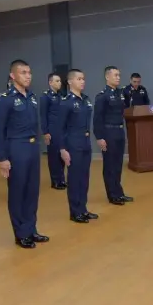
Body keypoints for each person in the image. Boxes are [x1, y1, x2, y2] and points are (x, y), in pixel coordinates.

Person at [0, 60, 48, 248]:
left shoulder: (31, 97)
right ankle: (21, 233)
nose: (28, 76)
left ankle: (31, 229)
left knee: (32, 191)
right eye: (23, 72)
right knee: (18, 192)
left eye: (29, 72)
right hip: (16, 148)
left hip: (32, 147)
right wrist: (2, 157)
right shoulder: (5, 99)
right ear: (13, 75)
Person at [57, 69, 99, 223]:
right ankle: (75, 212)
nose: (82, 81)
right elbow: (59, 128)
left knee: (84, 178)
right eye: (79, 79)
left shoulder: (86, 100)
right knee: (74, 179)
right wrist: (62, 149)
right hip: (73, 144)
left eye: (83, 79)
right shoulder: (66, 102)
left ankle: (83, 208)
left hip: (85, 143)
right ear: (70, 82)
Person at [94, 66, 133, 205]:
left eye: (119, 75)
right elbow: (97, 118)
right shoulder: (102, 96)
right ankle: (112, 195)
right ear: (107, 77)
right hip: (108, 133)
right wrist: (99, 137)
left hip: (119, 131)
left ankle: (119, 192)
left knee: (118, 165)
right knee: (110, 165)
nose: (118, 78)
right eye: (115, 75)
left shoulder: (120, 94)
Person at [40, 73, 66, 190]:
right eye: (57, 81)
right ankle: (55, 181)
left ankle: (61, 179)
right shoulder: (46, 96)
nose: (59, 83)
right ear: (50, 82)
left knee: (62, 155)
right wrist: (45, 132)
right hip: (52, 130)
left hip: (62, 130)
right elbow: (43, 115)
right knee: (54, 156)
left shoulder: (61, 95)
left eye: (60, 81)